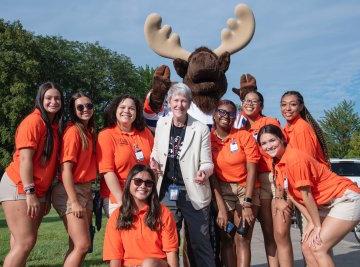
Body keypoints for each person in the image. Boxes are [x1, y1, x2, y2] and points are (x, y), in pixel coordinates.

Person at [258, 124, 360, 267]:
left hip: (346, 198)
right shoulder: (278, 164)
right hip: (328, 203)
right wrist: (312, 221)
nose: (269, 146)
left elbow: (306, 195)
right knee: (307, 246)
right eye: (264, 143)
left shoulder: (294, 159)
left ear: (282, 139)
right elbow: (293, 196)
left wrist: (317, 225)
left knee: (318, 247)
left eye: (272, 140)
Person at [150, 82, 216, 267]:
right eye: (176, 100)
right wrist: (153, 161)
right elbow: (155, 151)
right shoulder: (162, 124)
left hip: (192, 191)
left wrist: (204, 171)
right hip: (166, 192)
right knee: (168, 244)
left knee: (199, 242)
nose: (179, 105)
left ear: (189, 103)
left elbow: (207, 161)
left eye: (184, 101)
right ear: (169, 102)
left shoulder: (201, 128)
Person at [0, 82, 64, 266]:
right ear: (40, 99)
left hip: (37, 190)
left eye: (57, 98)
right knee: (25, 241)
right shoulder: (33, 122)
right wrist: (30, 193)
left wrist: (46, 195)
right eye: (49, 98)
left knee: (20, 242)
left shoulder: (52, 126)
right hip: (19, 186)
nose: (53, 101)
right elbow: (25, 160)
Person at [280, 90, 330, 265]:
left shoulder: (301, 129)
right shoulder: (288, 129)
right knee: (313, 244)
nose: (288, 108)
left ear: (301, 106)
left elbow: (305, 169)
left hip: (314, 195)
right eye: (284, 104)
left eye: (293, 104)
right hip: (306, 194)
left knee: (312, 245)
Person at [241, 90, 289, 267]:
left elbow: (281, 149)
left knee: (272, 232)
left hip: (269, 177)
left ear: (261, 105)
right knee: (244, 235)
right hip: (248, 182)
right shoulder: (240, 123)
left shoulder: (269, 122)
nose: (250, 103)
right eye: (246, 100)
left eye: (255, 101)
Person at [210, 99, 260, 267]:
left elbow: (252, 169)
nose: (226, 116)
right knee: (226, 237)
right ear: (215, 115)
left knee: (242, 237)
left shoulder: (243, 136)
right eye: (222, 112)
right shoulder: (208, 139)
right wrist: (221, 209)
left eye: (231, 113)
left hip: (246, 188)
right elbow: (212, 176)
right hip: (222, 190)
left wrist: (247, 203)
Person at [51, 92, 97, 266]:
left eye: (89, 106)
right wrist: (74, 201)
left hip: (85, 189)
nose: (86, 109)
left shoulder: (89, 131)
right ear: (73, 110)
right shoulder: (73, 132)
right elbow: (66, 170)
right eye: (80, 107)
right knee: (83, 245)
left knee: (77, 246)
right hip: (70, 190)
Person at [103, 164, 178, 267]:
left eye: (148, 183)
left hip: (155, 264)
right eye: (138, 181)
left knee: (148, 264)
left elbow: (171, 252)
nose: (143, 186)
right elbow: (115, 258)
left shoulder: (164, 213)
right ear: (129, 183)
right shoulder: (116, 216)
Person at [97, 94, 154, 217]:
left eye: (131, 108)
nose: (126, 111)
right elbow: (107, 171)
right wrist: (122, 201)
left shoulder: (145, 133)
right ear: (115, 110)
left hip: (143, 195)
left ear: (137, 112)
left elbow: (153, 164)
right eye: (122, 107)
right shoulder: (106, 135)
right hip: (117, 197)